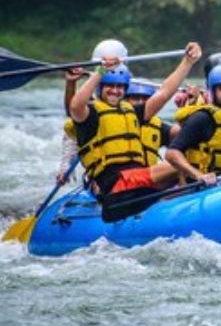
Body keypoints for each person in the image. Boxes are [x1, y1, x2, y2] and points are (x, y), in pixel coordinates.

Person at [68, 41, 202, 222]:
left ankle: (185, 203)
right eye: (110, 86)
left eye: (121, 87)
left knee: (192, 160)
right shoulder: (88, 116)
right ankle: (191, 208)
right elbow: (75, 105)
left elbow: (163, 93)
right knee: (178, 164)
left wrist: (188, 62)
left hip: (137, 183)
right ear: (100, 87)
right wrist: (100, 71)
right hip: (117, 189)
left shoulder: (132, 112)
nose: (116, 91)